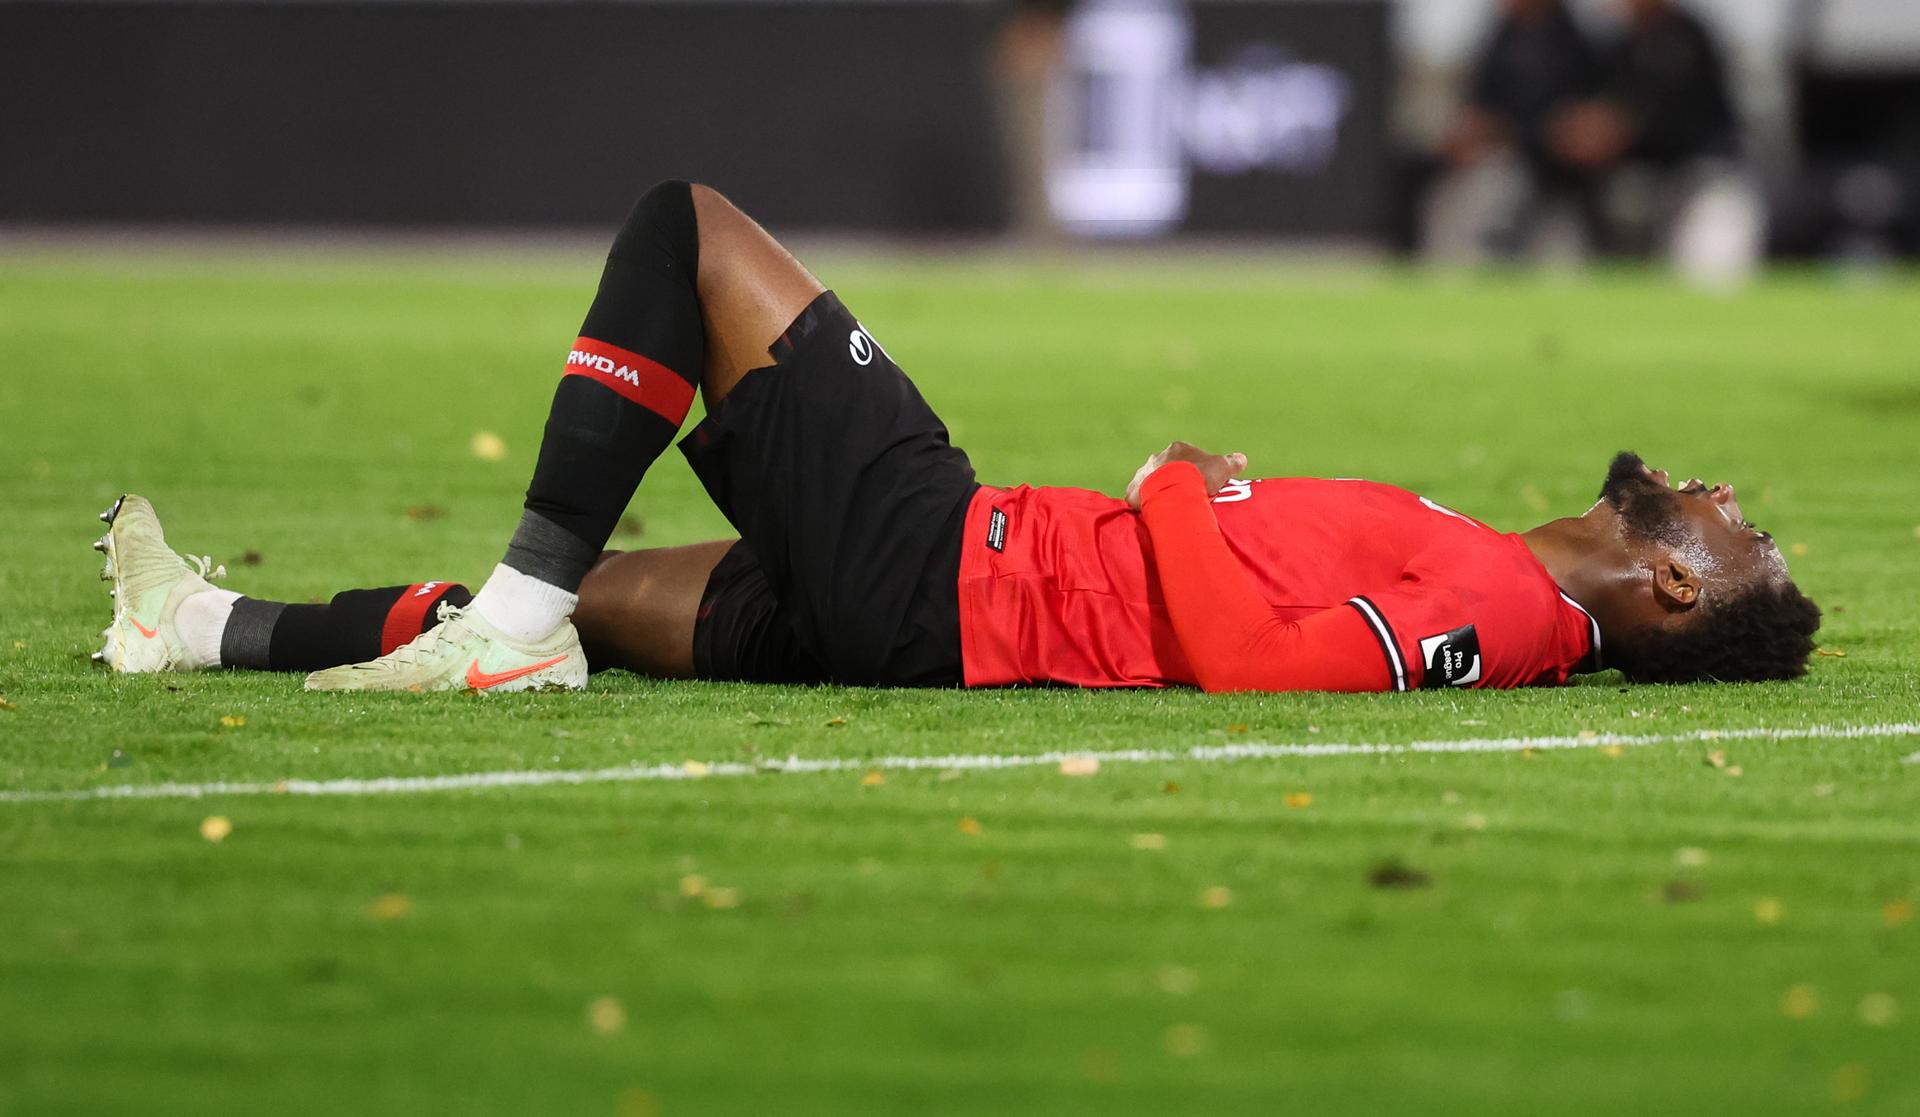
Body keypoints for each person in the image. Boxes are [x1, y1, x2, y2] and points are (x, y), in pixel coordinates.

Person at [91, 181, 1821, 693]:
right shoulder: (1510, 566)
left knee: (684, 235)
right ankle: (194, 630)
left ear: (1674, 588)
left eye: (1744, 535)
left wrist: (1168, 491)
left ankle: (516, 624)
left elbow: (1256, 664)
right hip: (937, 606)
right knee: (591, 604)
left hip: (955, 566)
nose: (1732, 501)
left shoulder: (1520, 621)